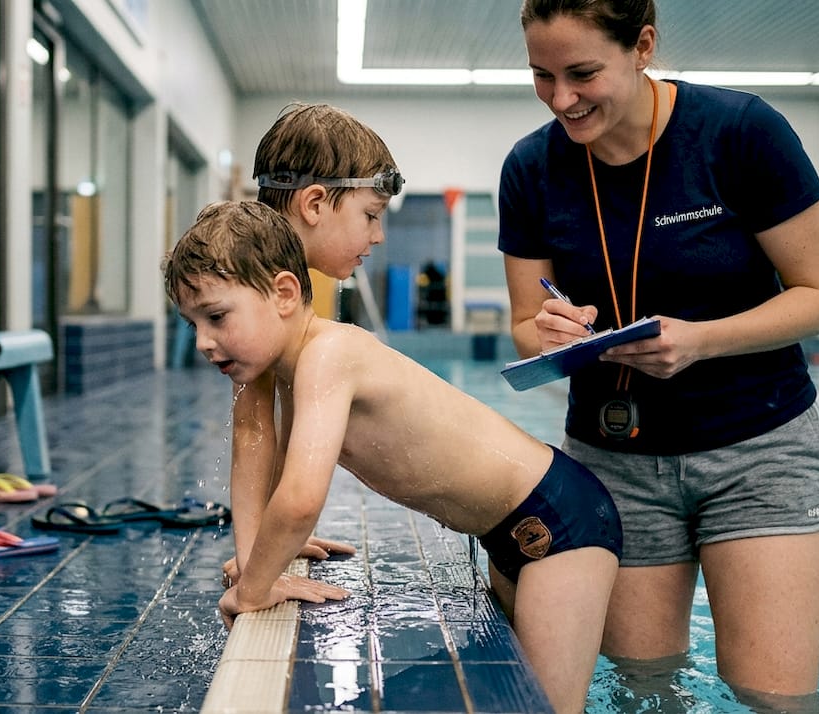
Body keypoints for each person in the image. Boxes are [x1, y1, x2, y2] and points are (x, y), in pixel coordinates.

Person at [497, 0, 819, 706]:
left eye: (582, 73)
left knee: (773, 698)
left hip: (758, 451)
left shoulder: (739, 134)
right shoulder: (532, 169)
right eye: (542, 76)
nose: (561, 99)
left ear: (644, 45)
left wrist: (702, 341)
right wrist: (553, 331)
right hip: (615, 460)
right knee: (644, 692)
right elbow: (522, 323)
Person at [164, 200, 623, 714]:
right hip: (512, 530)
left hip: (562, 520)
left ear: (285, 294)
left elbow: (298, 499)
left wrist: (252, 591)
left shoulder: (329, 356)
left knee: (549, 709)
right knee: (516, 700)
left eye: (217, 317)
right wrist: (261, 560)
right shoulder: (293, 369)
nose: (204, 342)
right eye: (193, 325)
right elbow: (273, 471)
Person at [221, 103, 402, 583]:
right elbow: (252, 430)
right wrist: (255, 565)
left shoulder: (288, 286)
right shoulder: (262, 295)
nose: (378, 235)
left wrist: (268, 548)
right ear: (316, 204)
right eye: (370, 215)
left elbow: (284, 417)